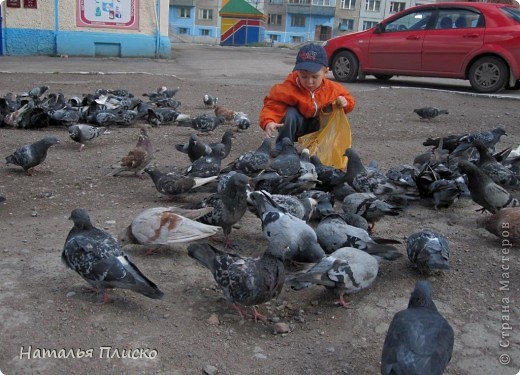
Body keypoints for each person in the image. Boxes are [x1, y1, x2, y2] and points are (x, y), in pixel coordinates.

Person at [259, 43, 356, 151]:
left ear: (325, 72)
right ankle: (284, 147)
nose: (309, 81)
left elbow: (349, 99)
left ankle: (324, 148)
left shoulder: (332, 89)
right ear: (297, 72)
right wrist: (269, 121)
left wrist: (345, 102)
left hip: (318, 128)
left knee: (332, 111)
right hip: (297, 127)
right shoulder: (288, 87)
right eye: (304, 76)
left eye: (314, 77)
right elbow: (273, 105)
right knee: (290, 113)